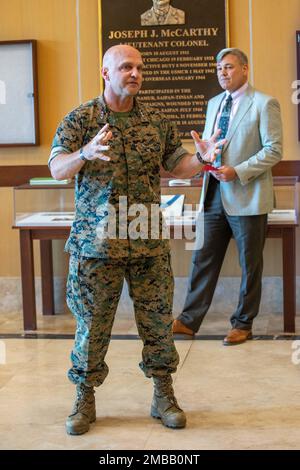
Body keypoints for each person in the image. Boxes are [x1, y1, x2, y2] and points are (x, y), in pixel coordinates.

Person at [49, 44, 223, 435]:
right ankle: (84, 398)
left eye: (140, 67)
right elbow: (58, 167)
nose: (135, 73)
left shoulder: (157, 120)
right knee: (92, 326)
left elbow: (178, 163)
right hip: (97, 244)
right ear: (105, 73)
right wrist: (86, 152)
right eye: (126, 67)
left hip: (146, 240)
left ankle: (163, 395)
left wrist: (203, 159)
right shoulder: (82, 118)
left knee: (159, 323)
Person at [173, 47, 283, 345]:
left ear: (245, 69)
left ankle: (243, 324)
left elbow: (274, 149)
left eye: (229, 67)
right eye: (219, 68)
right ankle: (188, 320)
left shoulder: (264, 103)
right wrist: (201, 159)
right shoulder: (213, 105)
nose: (223, 72)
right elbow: (210, 146)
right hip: (213, 194)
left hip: (248, 195)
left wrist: (239, 171)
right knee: (202, 258)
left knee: (250, 264)